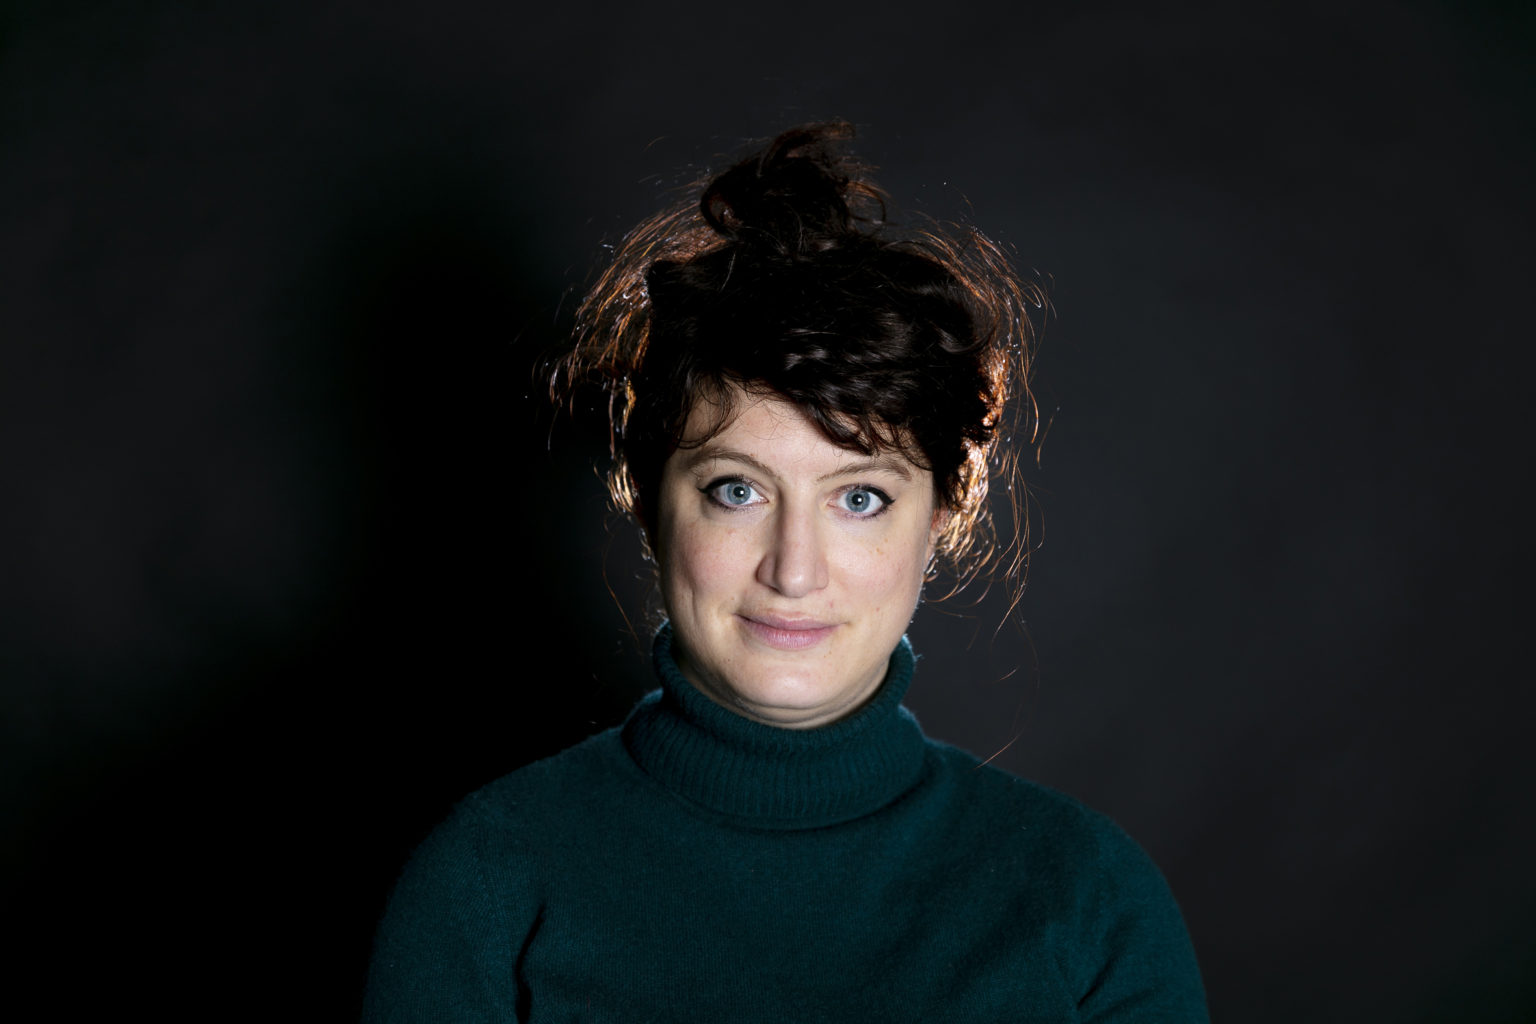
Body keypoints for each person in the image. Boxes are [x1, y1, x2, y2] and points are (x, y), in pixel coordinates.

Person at [362, 122, 1208, 1022]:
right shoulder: (489, 884)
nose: (793, 571)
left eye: (860, 498)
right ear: (647, 501)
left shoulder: (1089, 901)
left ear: (942, 517)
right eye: (737, 490)